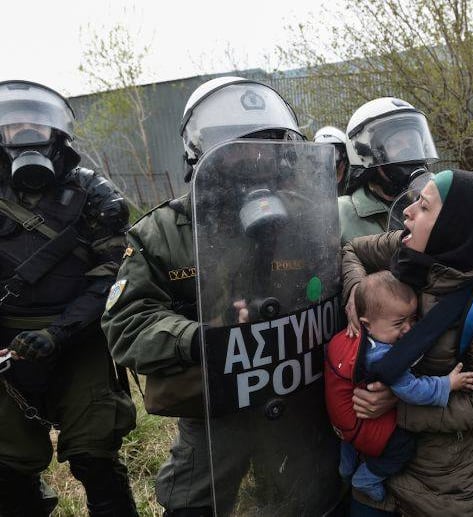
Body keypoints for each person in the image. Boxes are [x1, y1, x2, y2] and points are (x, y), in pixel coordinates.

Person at [102, 76, 319, 516]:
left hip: (298, 401)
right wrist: (198, 337)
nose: (258, 158)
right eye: (240, 146)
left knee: (306, 500)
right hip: (214, 406)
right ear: (203, 152)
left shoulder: (308, 215)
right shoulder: (163, 231)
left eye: (269, 145)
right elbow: (125, 322)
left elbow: (338, 280)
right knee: (190, 504)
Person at [341, 169, 473, 516]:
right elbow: (352, 250)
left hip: (438, 489)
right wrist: (357, 293)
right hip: (371, 466)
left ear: (456, 227)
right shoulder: (404, 248)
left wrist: (397, 404)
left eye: (423, 208)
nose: (408, 213)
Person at [0, 80, 137, 516]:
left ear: (56, 134)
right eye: (13, 127)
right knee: (8, 469)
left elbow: (113, 274)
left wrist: (59, 333)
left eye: (33, 125)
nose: (24, 135)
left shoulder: (94, 196)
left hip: (80, 341)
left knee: (95, 457)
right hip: (7, 350)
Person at [327, 270, 473, 502]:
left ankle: (346, 468)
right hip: (364, 425)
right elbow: (415, 390)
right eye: (399, 322)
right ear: (366, 324)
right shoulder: (385, 359)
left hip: (344, 423)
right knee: (402, 447)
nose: (409, 329)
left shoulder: (354, 337)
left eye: (413, 319)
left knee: (350, 442)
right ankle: (367, 478)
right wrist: (448, 384)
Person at [338, 97, 438, 243]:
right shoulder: (340, 214)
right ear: (367, 155)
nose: (409, 151)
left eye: (412, 142)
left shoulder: (435, 204)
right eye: (396, 144)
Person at [314, 125, 350, 195]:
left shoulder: (351, 189)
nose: (325, 160)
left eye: (333, 154)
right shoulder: (311, 185)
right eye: (321, 154)